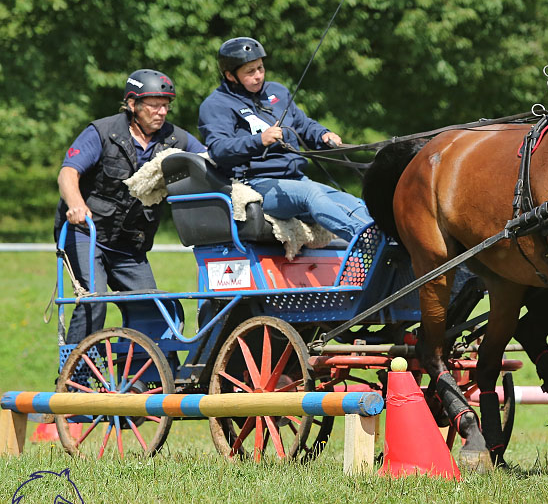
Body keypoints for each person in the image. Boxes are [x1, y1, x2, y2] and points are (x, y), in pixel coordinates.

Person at [54, 69, 206, 345]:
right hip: (87, 234)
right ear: (133, 104)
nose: (162, 112)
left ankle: (142, 379)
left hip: (129, 244)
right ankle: (75, 375)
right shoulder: (102, 132)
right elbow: (68, 174)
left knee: (156, 310)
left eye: (166, 106)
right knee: (94, 300)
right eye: (154, 105)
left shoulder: (177, 140)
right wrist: (76, 205)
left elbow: (208, 165)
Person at [198, 37, 372, 241]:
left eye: (260, 68)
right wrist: (259, 140)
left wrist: (323, 134)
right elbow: (219, 150)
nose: (258, 76)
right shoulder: (216, 105)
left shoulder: (277, 92)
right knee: (310, 194)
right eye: (250, 72)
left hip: (296, 180)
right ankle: (364, 239)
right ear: (230, 75)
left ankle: (385, 239)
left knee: (354, 203)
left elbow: (303, 124)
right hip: (255, 183)